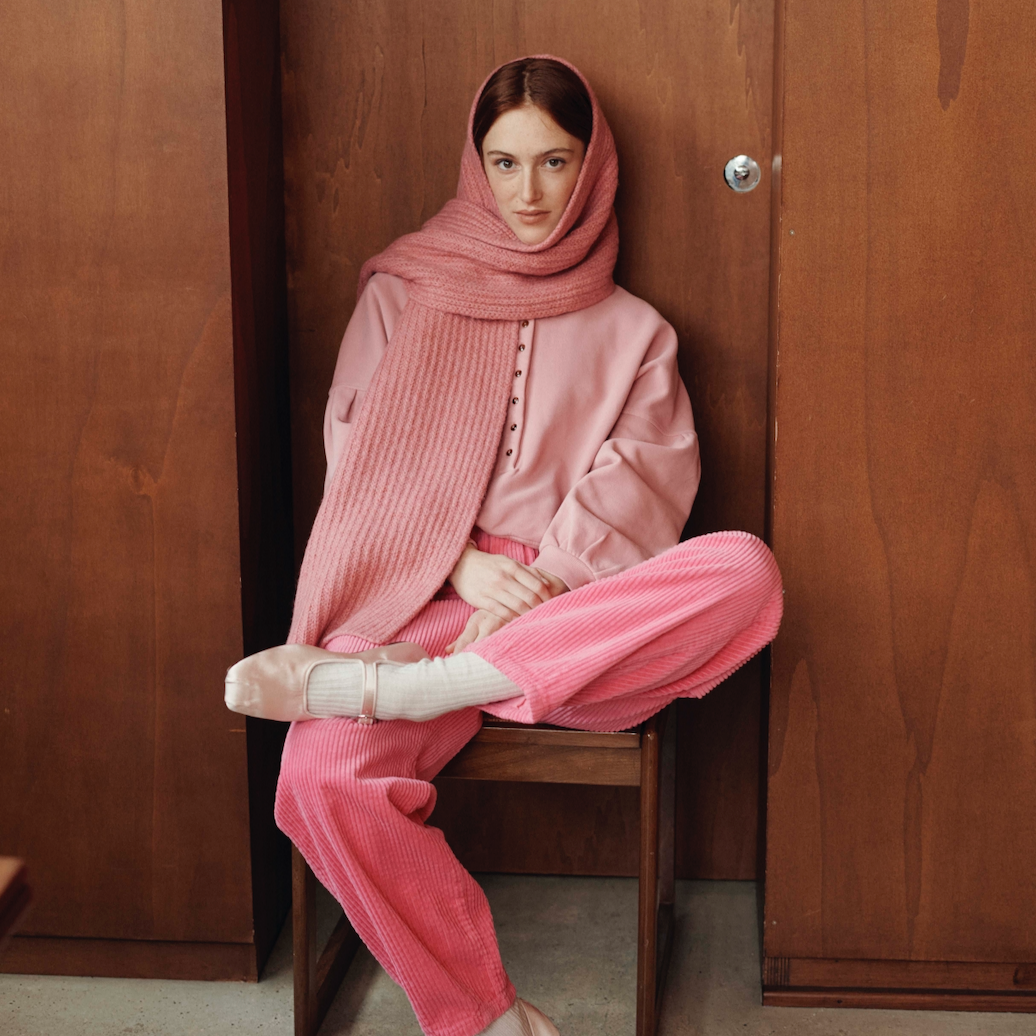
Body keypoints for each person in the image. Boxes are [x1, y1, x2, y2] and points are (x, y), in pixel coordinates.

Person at [226, 56, 782, 1036]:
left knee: (746, 569)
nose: (528, 192)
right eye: (505, 162)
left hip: (570, 611)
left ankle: (427, 687)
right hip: (411, 588)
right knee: (316, 777)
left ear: (593, 168)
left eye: (554, 162)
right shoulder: (401, 292)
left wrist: (546, 581)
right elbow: (359, 455)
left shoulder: (637, 334)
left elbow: (643, 486)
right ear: (475, 165)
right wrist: (454, 560)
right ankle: (483, 1017)